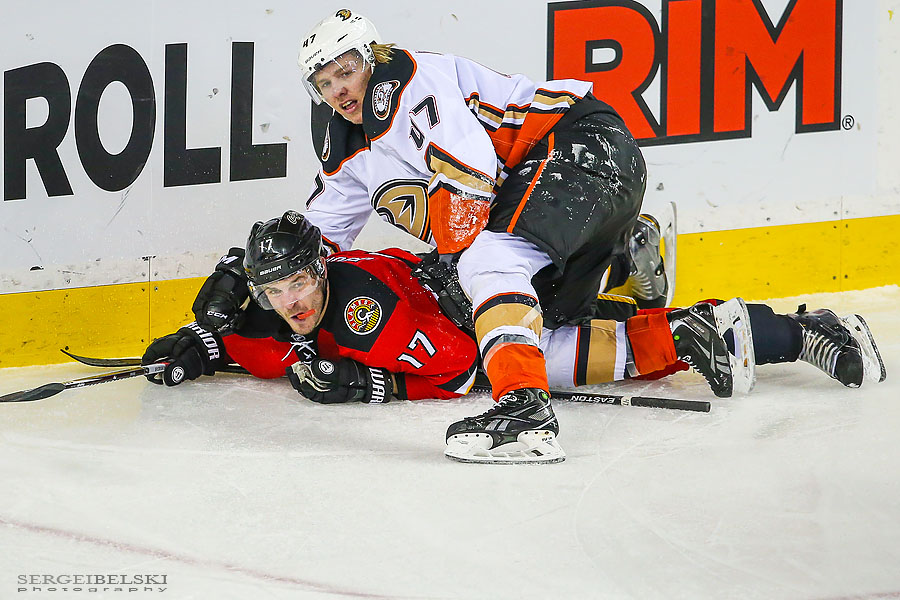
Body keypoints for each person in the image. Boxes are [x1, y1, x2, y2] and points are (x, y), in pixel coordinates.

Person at [144, 212, 887, 464]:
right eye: (272, 292)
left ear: (323, 267)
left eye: (298, 284)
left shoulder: (366, 308)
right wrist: (204, 344)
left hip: (486, 313)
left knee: (590, 352)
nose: (290, 303)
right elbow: (274, 342)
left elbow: (464, 366)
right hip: (478, 294)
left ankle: (629, 261)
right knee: (646, 344)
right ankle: (793, 329)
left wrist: (378, 387)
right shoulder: (287, 301)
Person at [291, 8, 668, 463]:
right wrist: (245, 280)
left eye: (346, 71)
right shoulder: (350, 146)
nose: (340, 90)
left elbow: (469, 181)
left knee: (487, 261)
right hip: (576, 184)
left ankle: (525, 409)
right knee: (541, 315)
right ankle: (625, 268)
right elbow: (312, 242)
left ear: (374, 56)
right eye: (324, 83)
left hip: (578, 146)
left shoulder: (411, 85)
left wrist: (453, 267)